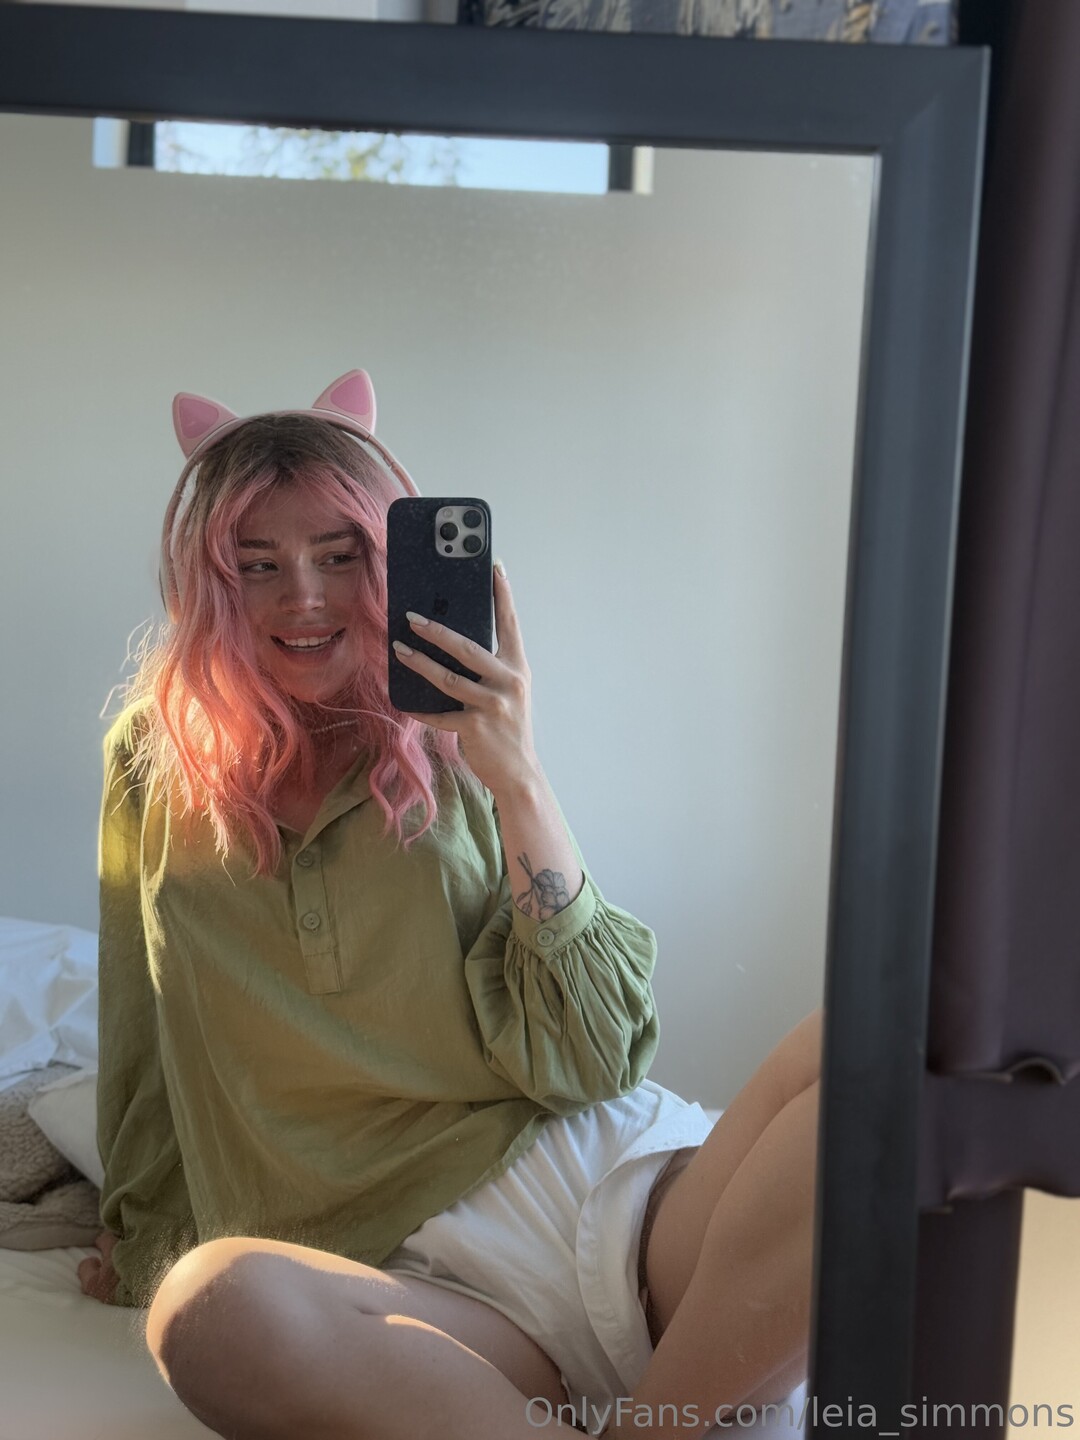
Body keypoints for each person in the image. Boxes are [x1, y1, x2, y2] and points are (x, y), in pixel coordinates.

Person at [79, 369, 822, 1440]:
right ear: (209, 583)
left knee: (869, 1049)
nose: (302, 598)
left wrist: (517, 776)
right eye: (257, 565)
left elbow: (593, 1060)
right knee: (203, 1309)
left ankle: (660, 1424)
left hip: (615, 1206)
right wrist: (143, 1228)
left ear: (388, 560)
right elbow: (142, 1009)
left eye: (340, 555)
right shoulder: (151, 758)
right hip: (392, 1283)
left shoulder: (449, 727)